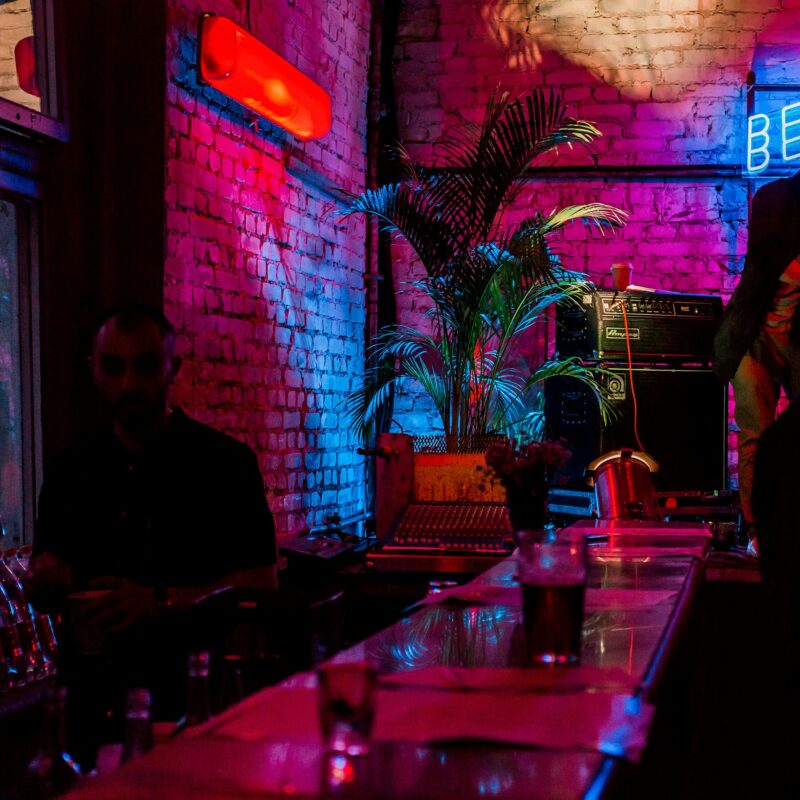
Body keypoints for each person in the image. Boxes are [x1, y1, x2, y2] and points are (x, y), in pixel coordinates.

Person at [27, 302, 277, 759]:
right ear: (92, 370)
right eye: (113, 366)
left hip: (191, 707)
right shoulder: (70, 469)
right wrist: (45, 578)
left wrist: (162, 601)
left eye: (144, 366)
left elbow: (263, 583)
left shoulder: (223, 465)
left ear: (172, 368)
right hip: (88, 712)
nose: (128, 384)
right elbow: (47, 581)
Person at [712, 169, 800, 555]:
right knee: (754, 436)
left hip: (796, 338)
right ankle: (755, 531)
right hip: (755, 336)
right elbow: (768, 259)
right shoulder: (774, 197)